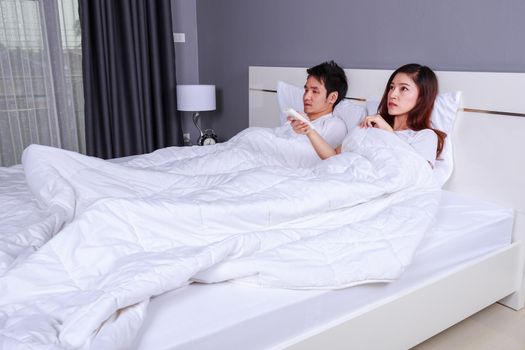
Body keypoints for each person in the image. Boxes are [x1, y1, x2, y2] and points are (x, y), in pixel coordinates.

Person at [290, 63, 446, 168]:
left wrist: (388, 133)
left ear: (422, 97)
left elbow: (419, 176)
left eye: (403, 89)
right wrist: (309, 129)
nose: (393, 94)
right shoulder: (371, 125)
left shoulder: (425, 136)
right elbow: (333, 157)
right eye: (391, 87)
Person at [281, 60, 348, 148]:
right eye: (306, 90)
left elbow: (331, 158)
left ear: (332, 98)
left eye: (315, 91)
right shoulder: (296, 121)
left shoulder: (335, 126)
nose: (306, 97)